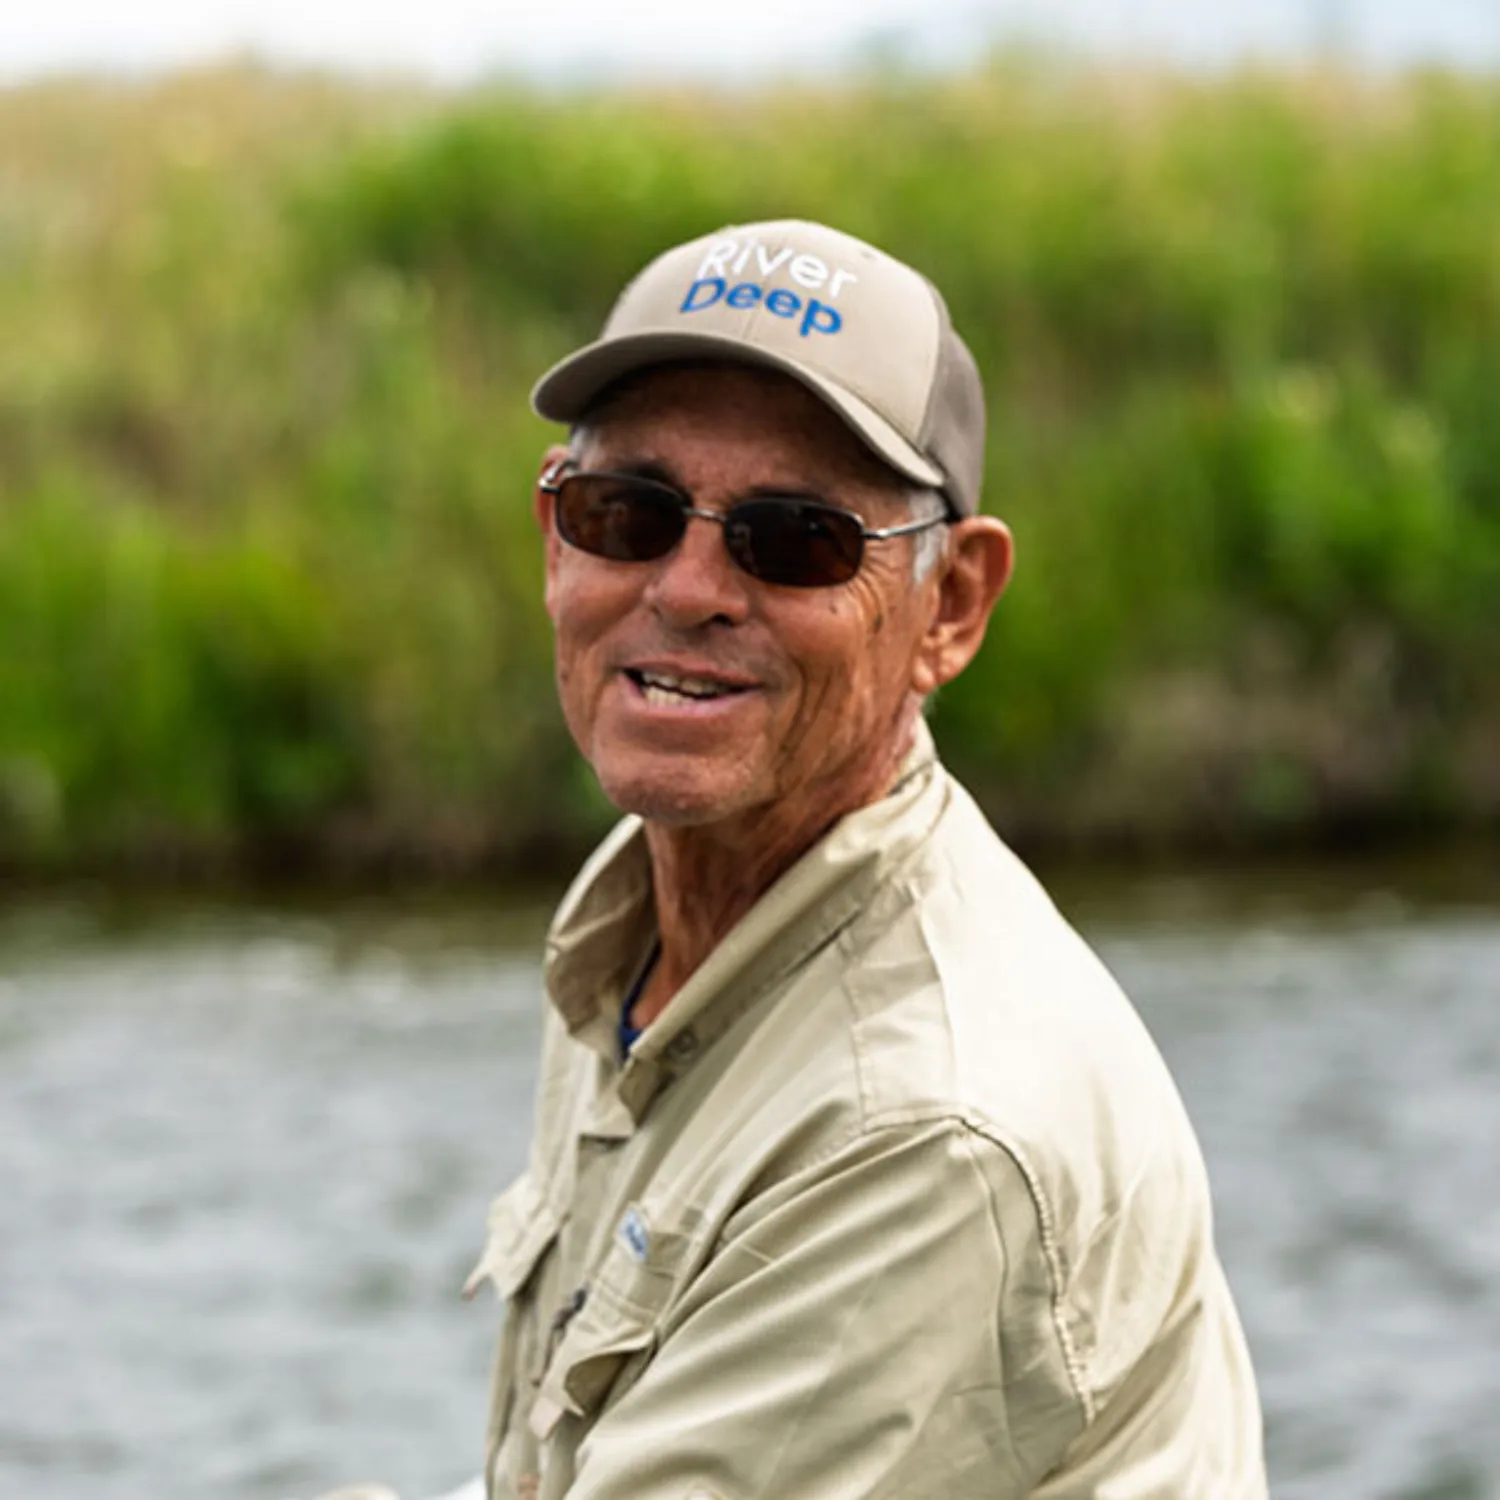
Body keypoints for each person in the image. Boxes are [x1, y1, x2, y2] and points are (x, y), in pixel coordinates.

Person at [464, 219, 1268, 1500]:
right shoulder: (643, 921)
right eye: (629, 513)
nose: (687, 587)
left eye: (795, 539)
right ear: (556, 540)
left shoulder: (930, 1128)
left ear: (951, 609)